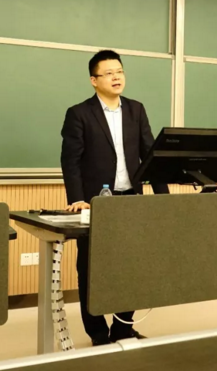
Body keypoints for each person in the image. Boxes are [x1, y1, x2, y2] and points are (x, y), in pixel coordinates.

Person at [60, 49, 169, 346]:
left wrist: (163, 197)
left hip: (131, 199)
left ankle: (122, 328)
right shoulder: (79, 114)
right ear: (94, 80)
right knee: (91, 268)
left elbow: (151, 156)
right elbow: (70, 161)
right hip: (95, 202)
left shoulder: (136, 110)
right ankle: (97, 334)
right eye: (108, 73)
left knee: (131, 266)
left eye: (119, 71)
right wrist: (77, 198)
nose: (116, 77)